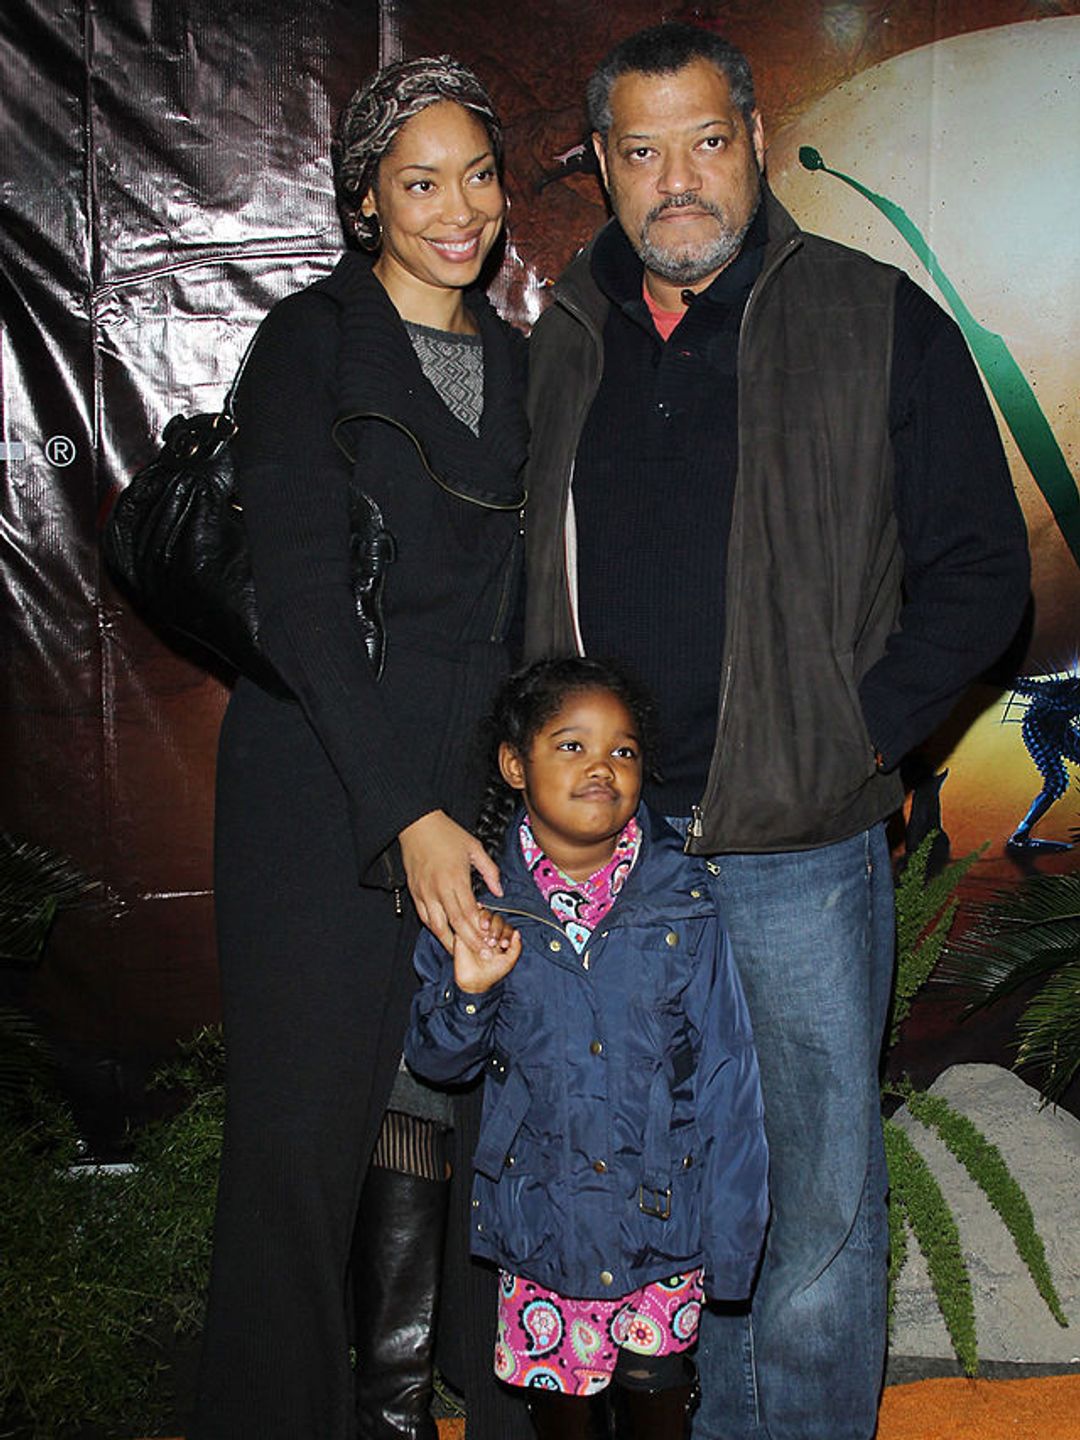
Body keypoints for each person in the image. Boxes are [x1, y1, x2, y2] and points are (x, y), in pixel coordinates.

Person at [521, 22, 1030, 1440]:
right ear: (605, 172)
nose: (676, 179)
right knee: (663, 1203)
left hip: (796, 850)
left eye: (704, 141)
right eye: (640, 151)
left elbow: (984, 570)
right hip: (606, 865)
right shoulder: (566, 339)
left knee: (810, 1212)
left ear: (753, 139)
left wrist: (852, 735)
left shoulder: (875, 318)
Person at [191, 57, 532, 1440]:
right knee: (297, 1157)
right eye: (421, 182)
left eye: (481, 175)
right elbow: (307, 607)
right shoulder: (310, 343)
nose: (462, 211)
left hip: (469, 802)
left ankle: (457, 1404)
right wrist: (401, 812)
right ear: (366, 202)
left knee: (456, 1141)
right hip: (318, 798)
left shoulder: (519, 359)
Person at [404, 656, 769, 1440]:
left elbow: (728, 1075)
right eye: (572, 745)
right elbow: (436, 1063)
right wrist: (472, 991)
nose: (603, 766)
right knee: (565, 1416)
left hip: (661, 1226)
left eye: (625, 750)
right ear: (514, 764)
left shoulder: (688, 898)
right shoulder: (476, 903)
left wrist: (734, 1241)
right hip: (542, 1231)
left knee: (657, 1399)